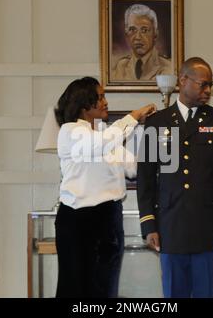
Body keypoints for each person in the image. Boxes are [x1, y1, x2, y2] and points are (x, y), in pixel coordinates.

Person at [137, 57, 213, 298]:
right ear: (183, 80)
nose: (207, 91)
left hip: (210, 232)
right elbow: (146, 179)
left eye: (210, 86)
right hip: (170, 231)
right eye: (203, 85)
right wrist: (149, 224)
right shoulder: (157, 122)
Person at [54, 76, 156, 298]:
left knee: (105, 287)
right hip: (77, 221)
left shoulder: (105, 138)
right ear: (84, 105)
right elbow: (99, 145)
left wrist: (162, 143)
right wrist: (134, 117)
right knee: (75, 289)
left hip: (108, 219)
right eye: (100, 97)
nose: (105, 102)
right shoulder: (70, 131)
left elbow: (135, 169)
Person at [112, 4, 172, 81]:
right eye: (132, 30)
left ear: (155, 34)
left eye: (144, 30)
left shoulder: (168, 67)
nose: (138, 37)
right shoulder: (120, 67)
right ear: (127, 34)